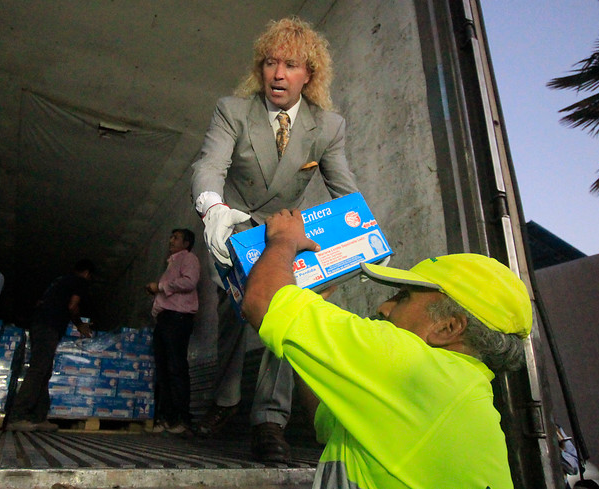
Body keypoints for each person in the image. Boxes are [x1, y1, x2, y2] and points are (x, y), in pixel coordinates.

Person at [241, 208, 533, 488]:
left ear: (448, 327)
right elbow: (325, 415)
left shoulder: (416, 368)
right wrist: (307, 339)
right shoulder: (457, 391)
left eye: (403, 297)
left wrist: (284, 240)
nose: (384, 307)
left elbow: (262, 302)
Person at [190, 16, 358, 461]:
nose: (278, 74)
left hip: (285, 231)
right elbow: (210, 165)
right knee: (232, 321)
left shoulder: (328, 127)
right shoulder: (233, 110)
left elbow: (347, 197)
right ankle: (224, 402)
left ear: (310, 74)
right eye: (270, 62)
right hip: (236, 228)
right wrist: (212, 207)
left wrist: (357, 249)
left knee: (286, 312)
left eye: (291, 65)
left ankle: (269, 419)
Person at [6, 259, 95, 432]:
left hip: (39, 324)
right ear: (87, 274)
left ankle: (38, 417)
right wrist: (79, 324)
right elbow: (72, 306)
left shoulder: (60, 281)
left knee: (44, 370)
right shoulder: (80, 282)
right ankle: (17, 416)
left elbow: (40, 303)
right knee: (39, 369)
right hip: (48, 327)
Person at [146, 228, 200, 437]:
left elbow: (189, 282)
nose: (171, 240)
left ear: (186, 243)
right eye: (171, 237)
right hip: (165, 319)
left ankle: (181, 418)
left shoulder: (188, 258)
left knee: (176, 367)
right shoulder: (171, 262)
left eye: (176, 238)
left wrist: (159, 286)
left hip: (177, 319)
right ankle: (166, 417)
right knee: (163, 369)